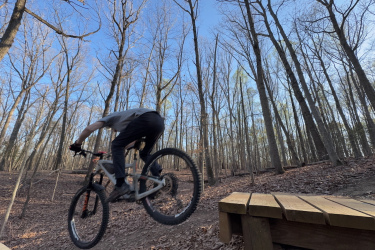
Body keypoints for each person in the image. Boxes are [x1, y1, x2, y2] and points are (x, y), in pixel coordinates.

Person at [69, 108, 165, 202]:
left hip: (147, 119)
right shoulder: (128, 119)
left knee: (115, 144)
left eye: (112, 129)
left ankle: (120, 184)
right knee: (144, 154)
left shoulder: (111, 117)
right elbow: (128, 142)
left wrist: (77, 144)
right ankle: (159, 177)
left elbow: (89, 129)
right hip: (159, 123)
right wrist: (119, 152)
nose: (115, 131)